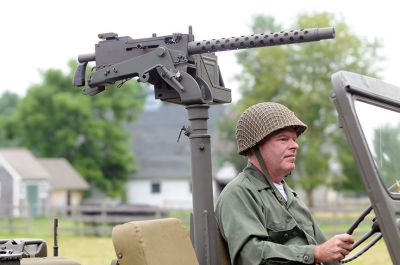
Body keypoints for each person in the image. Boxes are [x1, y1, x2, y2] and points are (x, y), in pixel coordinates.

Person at [215, 102, 354, 265]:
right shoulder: (239, 193)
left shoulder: (291, 197)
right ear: (256, 147)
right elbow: (251, 256)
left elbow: (323, 250)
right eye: (283, 139)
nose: (295, 145)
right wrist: (315, 253)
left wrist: (331, 251)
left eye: (294, 139)